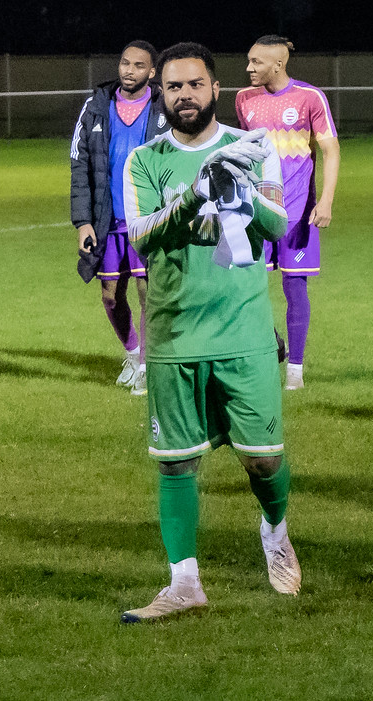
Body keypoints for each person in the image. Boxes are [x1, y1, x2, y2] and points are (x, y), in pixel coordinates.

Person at [118, 43, 300, 623]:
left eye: (195, 85)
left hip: (244, 330)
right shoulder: (144, 161)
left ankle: (275, 533)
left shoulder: (252, 147)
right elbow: (142, 237)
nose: (185, 96)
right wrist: (195, 192)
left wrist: (239, 188)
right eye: (173, 88)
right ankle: (184, 583)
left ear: (214, 89)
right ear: (161, 95)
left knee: (263, 459)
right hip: (173, 335)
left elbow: (278, 226)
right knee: (175, 463)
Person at [235, 36, 341, 391]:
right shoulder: (244, 100)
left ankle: (295, 370)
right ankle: (272, 342)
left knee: (295, 288)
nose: (249, 68)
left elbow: (330, 149)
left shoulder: (310, 98)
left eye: (256, 62)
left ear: (278, 64)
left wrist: (325, 201)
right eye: (248, 61)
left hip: (298, 213)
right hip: (255, 214)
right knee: (244, 289)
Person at [70, 41, 167, 394]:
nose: (128, 70)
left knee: (148, 292)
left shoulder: (163, 106)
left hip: (147, 217)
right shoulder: (96, 106)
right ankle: (132, 353)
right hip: (106, 218)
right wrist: (83, 221)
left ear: (151, 72)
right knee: (110, 295)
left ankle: (146, 367)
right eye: (125, 63)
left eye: (138, 65)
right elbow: (79, 164)